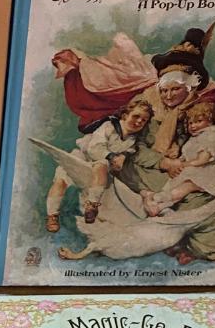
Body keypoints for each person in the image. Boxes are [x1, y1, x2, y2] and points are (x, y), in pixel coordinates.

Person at [45, 97, 152, 230]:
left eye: (144, 120)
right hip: (83, 156)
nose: (139, 121)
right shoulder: (109, 126)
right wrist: (112, 156)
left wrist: (122, 158)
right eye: (136, 116)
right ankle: (52, 215)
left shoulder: (132, 139)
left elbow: (128, 152)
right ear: (125, 115)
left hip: (100, 165)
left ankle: (92, 205)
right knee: (61, 180)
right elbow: (94, 148)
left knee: (102, 166)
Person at [144, 100, 215, 217]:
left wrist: (183, 165)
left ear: (210, 120)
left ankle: (158, 200)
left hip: (211, 173)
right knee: (178, 180)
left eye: (199, 121)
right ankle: (161, 206)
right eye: (190, 123)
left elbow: (203, 160)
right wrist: (177, 162)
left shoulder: (214, 135)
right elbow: (187, 155)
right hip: (196, 169)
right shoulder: (196, 137)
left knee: (187, 185)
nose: (193, 126)